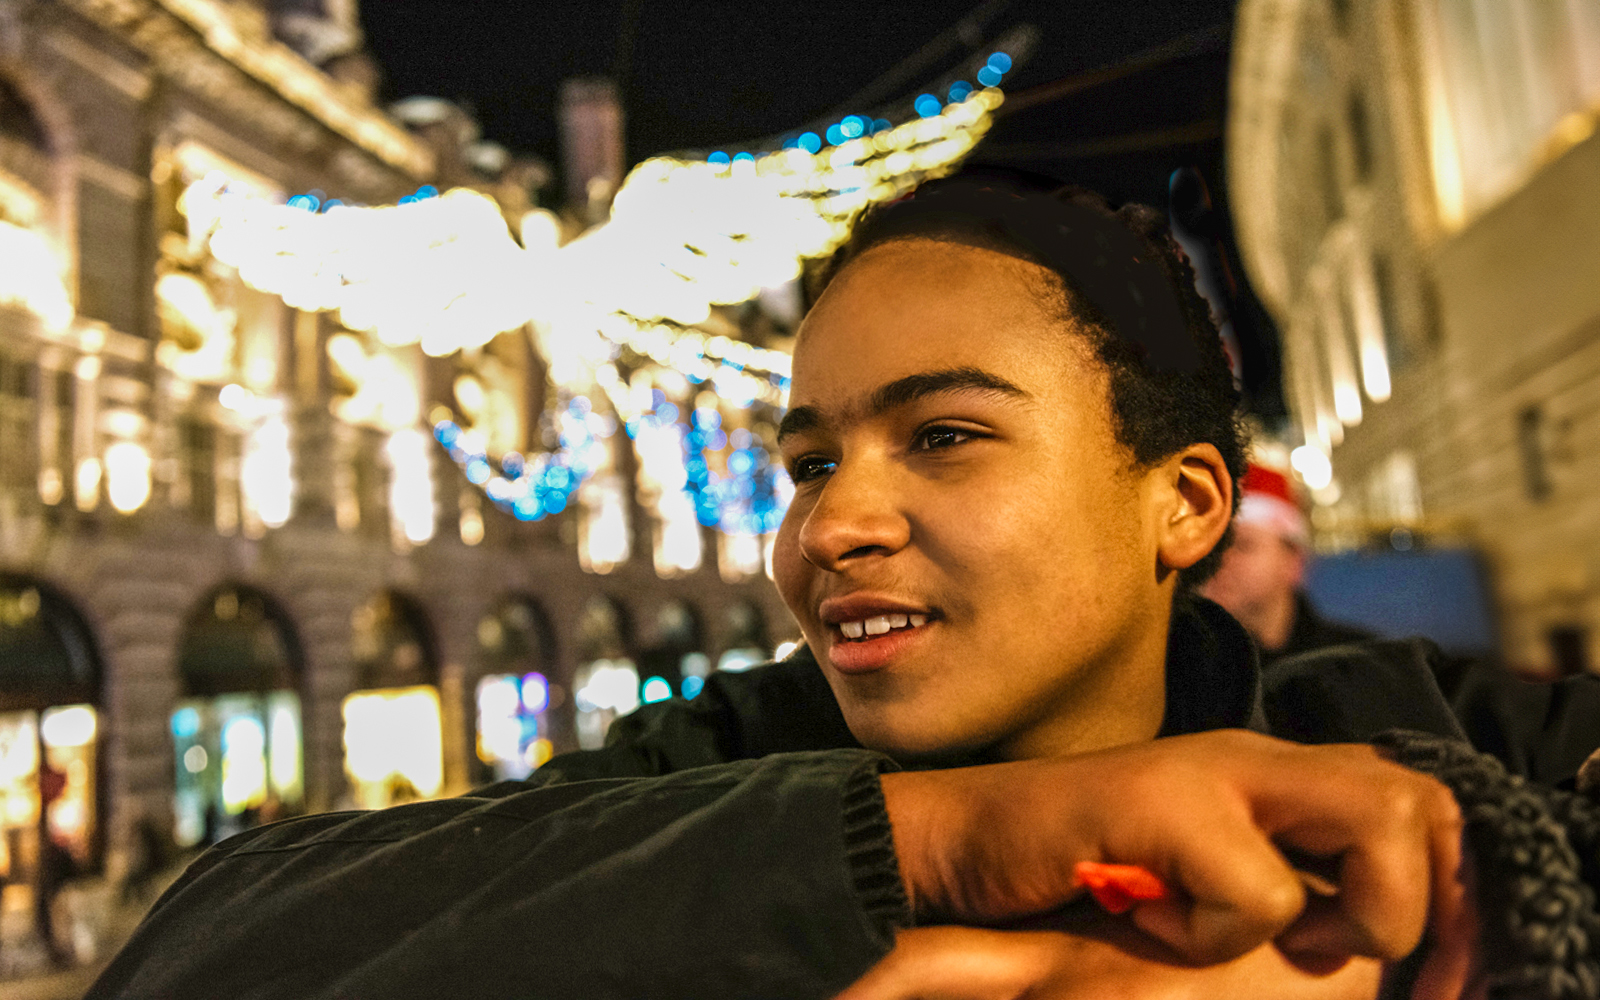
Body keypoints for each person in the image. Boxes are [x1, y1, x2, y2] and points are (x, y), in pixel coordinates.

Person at [86, 175, 1598, 1000]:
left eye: (943, 437)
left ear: (1184, 503)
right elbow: (207, 950)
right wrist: (931, 842)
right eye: (808, 462)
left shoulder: (1419, 744)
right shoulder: (703, 771)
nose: (834, 525)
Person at [1199, 462, 1372, 663]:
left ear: (1293, 561)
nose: (1219, 560)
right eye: (1210, 546)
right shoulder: (1181, 666)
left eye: (1242, 545)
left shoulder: (1353, 663)